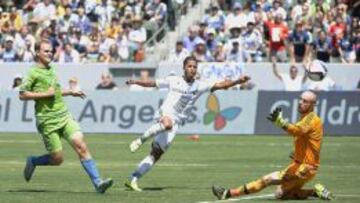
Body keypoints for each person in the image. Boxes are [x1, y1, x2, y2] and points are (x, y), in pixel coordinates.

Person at [124, 56, 251, 191]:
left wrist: (238, 81)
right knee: (168, 124)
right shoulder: (173, 80)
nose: (192, 69)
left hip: (177, 122)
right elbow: (153, 83)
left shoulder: (200, 85)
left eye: (195, 67)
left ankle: (134, 179)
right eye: (189, 66)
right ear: (184, 68)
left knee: (155, 154)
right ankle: (140, 140)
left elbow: (221, 85)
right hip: (165, 114)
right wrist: (136, 82)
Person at [18, 39, 113, 193]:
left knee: (81, 146)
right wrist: (44, 94)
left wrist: (70, 91)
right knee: (57, 159)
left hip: (64, 115)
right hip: (47, 121)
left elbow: (55, 92)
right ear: (37, 53)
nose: (50, 53)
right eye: (46, 51)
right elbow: (22, 95)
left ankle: (98, 183)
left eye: (51, 51)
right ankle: (33, 161)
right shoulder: (32, 72)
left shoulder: (52, 69)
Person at [212, 90, 334, 201]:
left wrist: (281, 123)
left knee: (267, 180)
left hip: (304, 168)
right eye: (300, 99)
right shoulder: (306, 118)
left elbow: (297, 131)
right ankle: (316, 192)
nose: (300, 102)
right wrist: (297, 153)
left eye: (305, 101)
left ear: (313, 105)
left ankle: (227, 193)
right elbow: (306, 139)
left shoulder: (311, 118)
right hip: (301, 165)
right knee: (281, 194)